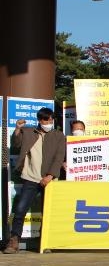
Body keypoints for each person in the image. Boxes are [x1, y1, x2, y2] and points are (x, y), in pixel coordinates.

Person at [3, 108, 66, 254]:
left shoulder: (58, 135)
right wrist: (18, 129)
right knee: (20, 210)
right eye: (46, 120)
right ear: (39, 120)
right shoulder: (29, 132)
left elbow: (59, 157)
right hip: (30, 177)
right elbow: (16, 144)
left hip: (49, 179)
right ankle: (14, 241)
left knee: (49, 212)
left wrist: (50, 176)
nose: (49, 122)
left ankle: (46, 242)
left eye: (51, 119)